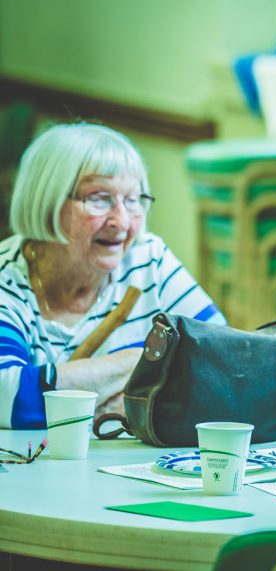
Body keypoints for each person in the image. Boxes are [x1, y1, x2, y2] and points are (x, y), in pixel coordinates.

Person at [0, 123, 225, 429]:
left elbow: (221, 361)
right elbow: (8, 396)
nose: (121, 221)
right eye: (99, 198)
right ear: (47, 200)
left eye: (133, 200)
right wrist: (138, 364)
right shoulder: (7, 280)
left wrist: (117, 403)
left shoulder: (148, 260)